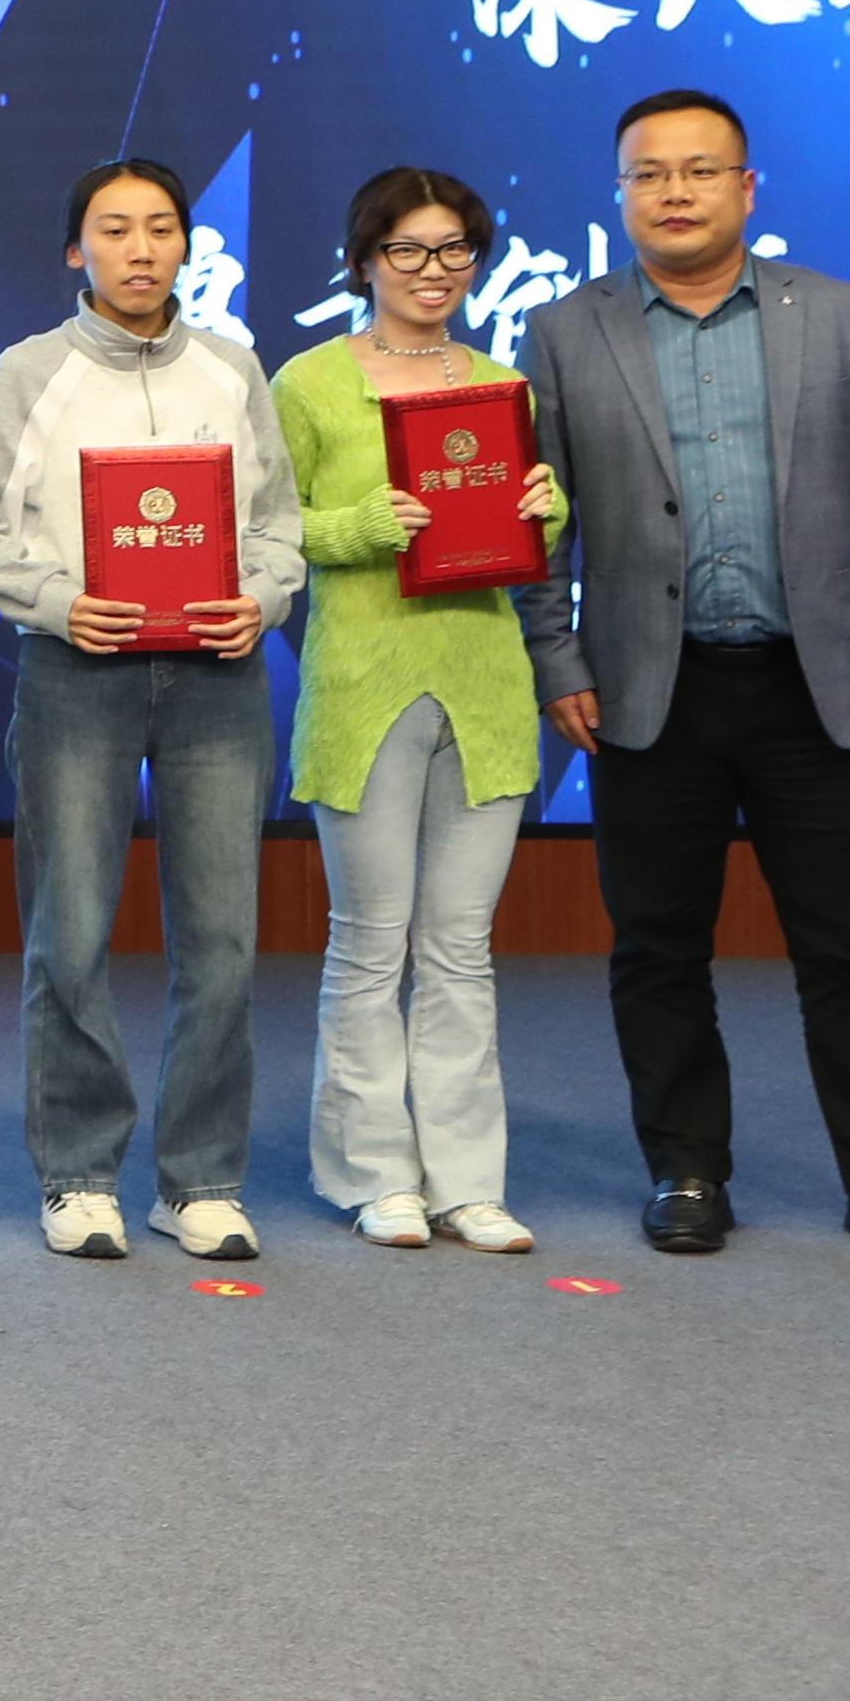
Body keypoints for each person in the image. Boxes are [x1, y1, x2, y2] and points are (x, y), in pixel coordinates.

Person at [514, 89, 850, 1269]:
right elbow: (538, 527)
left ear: (745, 188)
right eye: (647, 174)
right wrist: (555, 656)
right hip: (645, 691)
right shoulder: (564, 330)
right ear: (619, 193)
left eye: (699, 170)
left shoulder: (839, 314)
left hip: (814, 690)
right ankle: (685, 1171)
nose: (673, 193)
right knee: (656, 949)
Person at [0, 156, 303, 1264]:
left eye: (159, 228)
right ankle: (79, 1175)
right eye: (113, 228)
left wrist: (261, 598)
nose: (139, 249)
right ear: (76, 250)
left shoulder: (232, 368)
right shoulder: (30, 370)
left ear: (186, 245)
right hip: (77, 674)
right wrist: (58, 602)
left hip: (216, 680)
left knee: (222, 942)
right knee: (71, 936)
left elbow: (278, 524)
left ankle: (200, 1182)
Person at [273, 166, 564, 1255]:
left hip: (485, 683)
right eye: (407, 250)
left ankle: (467, 1181)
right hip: (362, 688)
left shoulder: (501, 386)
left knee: (460, 948)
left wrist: (545, 508)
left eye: (453, 250)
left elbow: (523, 531)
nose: (432, 271)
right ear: (364, 261)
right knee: (368, 944)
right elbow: (270, 527)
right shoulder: (308, 381)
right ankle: (375, 1176)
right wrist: (360, 524)